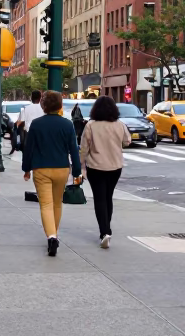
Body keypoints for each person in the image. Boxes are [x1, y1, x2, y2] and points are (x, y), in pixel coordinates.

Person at [22, 91, 82, 256]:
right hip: (62, 168)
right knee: (57, 203)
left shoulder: (36, 124)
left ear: (44, 105)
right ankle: (54, 234)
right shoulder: (67, 125)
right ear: (60, 105)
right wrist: (77, 170)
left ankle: (52, 236)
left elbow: (29, 149)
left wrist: (26, 168)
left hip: (41, 168)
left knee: (46, 205)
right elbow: (74, 150)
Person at [81, 96, 129, 249]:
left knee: (99, 198)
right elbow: (127, 141)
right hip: (115, 166)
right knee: (108, 197)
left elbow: (84, 148)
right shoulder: (119, 125)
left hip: (95, 166)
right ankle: (107, 229)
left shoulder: (91, 125)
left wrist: (82, 166)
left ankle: (104, 232)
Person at [15, 90, 44, 157]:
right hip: (41, 134)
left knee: (27, 155)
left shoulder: (26, 109)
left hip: (29, 134)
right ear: (40, 98)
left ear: (31, 98)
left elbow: (19, 122)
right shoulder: (44, 109)